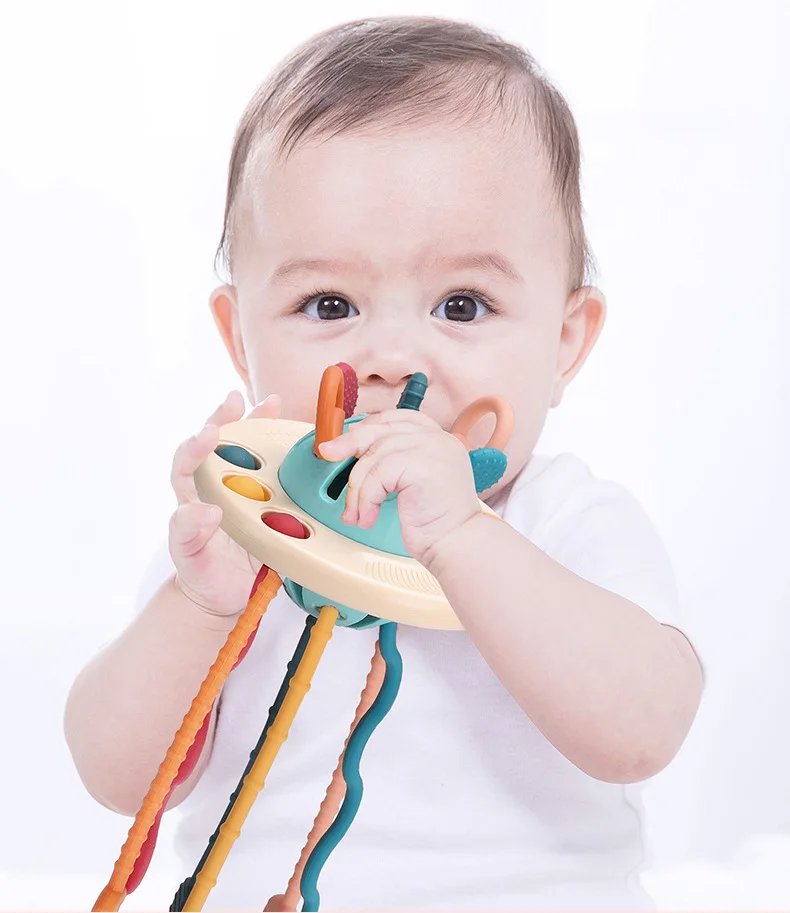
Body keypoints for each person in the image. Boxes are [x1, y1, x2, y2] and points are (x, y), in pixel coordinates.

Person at [64, 15, 705, 911]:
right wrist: (198, 603)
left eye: (463, 303)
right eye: (329, 302)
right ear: (238, 337)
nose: (392, 357)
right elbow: (117, 775)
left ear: (565, 342)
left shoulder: (564, 519)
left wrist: (462, 536)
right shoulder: (247, 534)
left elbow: (644, 729)